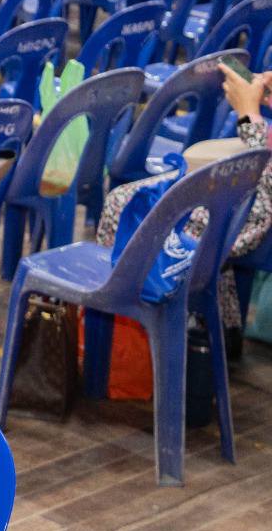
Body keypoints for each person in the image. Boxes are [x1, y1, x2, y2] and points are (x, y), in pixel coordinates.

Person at [96, 62, 272, 334]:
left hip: (258, 211)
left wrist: (248, 116)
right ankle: (212, 324)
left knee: (125, 203)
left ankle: (128, 327)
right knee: (144, 197)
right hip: (255, 193)